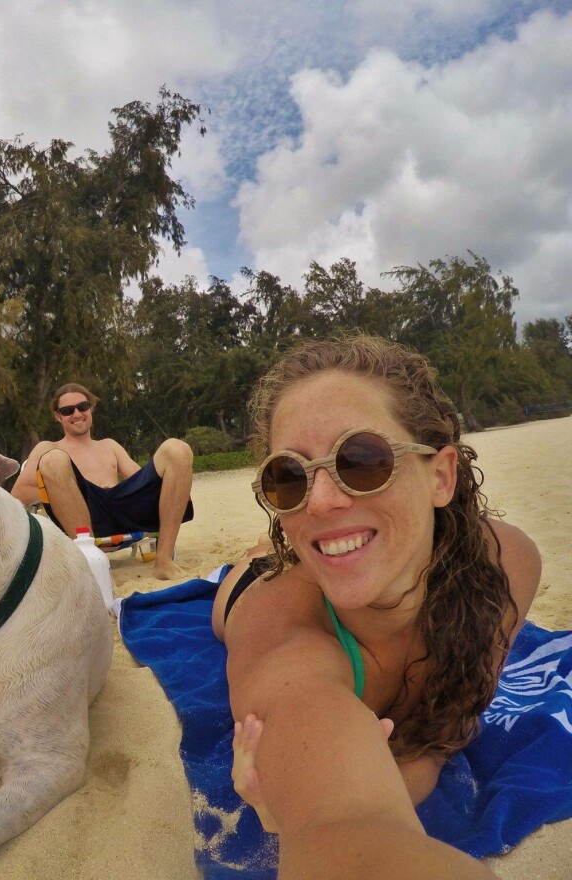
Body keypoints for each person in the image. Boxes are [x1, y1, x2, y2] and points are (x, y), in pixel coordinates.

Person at [212, 335, 540, 880]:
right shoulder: (283, 638)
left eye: (361, 461)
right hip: (252, 589)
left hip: (320, 557)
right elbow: (341, 827)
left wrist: (420, 764)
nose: (317, 499)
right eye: (288, 477)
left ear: (440, 475)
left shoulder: (507, 562)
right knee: (260, 565)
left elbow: (451, 727)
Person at [11, 383, 194, 580]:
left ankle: (164, 560)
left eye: (82, 406)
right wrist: (68, 489)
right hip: (83, 515)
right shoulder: (47, 448)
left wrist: (176, 483)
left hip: (123, 507)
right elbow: (19, 495)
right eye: (67, 410)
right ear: (58, 416)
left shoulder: (110, 445)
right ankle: (90, 563)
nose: (77, 414)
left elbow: (143, 482)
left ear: (91, 408)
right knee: (53, 459)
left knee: (177, 449)